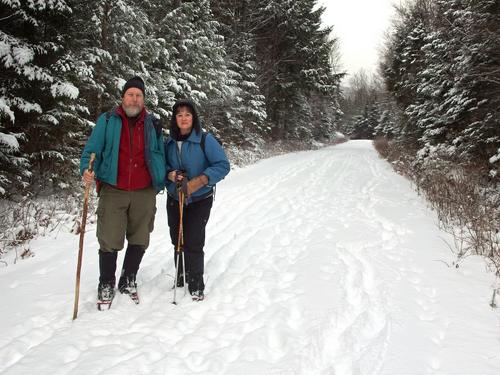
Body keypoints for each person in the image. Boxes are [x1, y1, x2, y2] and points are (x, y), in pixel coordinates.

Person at [80, 76, 166, 309]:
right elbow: (91, 150)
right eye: (130, 94)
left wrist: (163, 176)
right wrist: (86, 170)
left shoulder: (153, 124)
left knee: (140, 236)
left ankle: (128, 280)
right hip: (113, 188)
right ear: (123, 97)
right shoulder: (108, 120)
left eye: (138, 95)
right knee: (108, 237)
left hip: (144, 190)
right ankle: (106, 282)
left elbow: (161, 153)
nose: (134, 99)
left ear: (144, 99)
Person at [165, 99, 230, 301]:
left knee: (193, 239)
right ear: (175, 119)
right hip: (175, 197)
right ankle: (181, 273)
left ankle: (196, 282)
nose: (183, 119)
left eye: (187, 114)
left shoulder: (205, 139)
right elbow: (162, 167)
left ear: (194, 118)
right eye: (179, 115)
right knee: (177, 237)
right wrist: (171, 175)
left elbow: (222, 165)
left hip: (200, 198)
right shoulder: (168, 142)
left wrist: (201, 180)